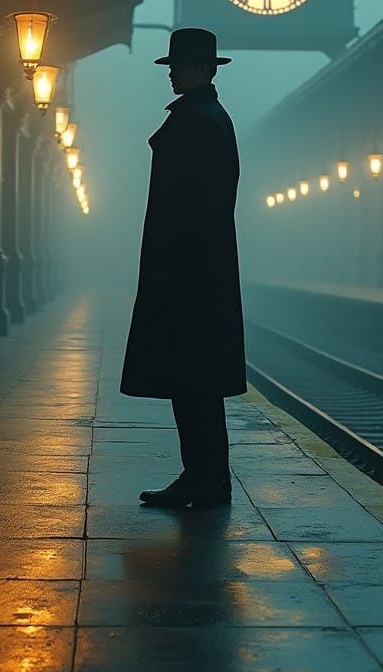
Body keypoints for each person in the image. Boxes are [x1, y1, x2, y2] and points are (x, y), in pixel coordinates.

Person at [120, 27, 246, 508]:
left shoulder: (200, 122)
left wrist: (174, 271)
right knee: (197, 381)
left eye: (177, 65)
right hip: (198, 270)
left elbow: (193, 207)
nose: (170, 71)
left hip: (189, 272)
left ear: (199, 69)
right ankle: (205, 477)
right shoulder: (207, 118)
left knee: (193, 381)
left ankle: (205, 480)